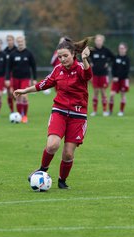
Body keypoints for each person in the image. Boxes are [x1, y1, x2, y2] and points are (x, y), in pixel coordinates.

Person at [14, 37, 93, 189]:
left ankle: (62, 181)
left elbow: (88, 76)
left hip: (78, 116)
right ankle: (42, 169)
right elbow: (43, 84)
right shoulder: (58, 70)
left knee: (68, 154)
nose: (62, 59)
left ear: (73, 54)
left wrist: (85, 59)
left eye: (65, 56)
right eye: (60, 57)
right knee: (52, 145)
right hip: (60, 112)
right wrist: (25, 90)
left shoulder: (81, 68)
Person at [6, 36, 37, 123]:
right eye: (18, 41)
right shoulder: (13, 54)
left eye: (21, 41)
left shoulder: (29, 53)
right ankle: (20, 115)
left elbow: (33, 66)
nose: (20, 43)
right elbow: (8, 67)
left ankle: (25, 116)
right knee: (18, 98)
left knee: (24, 97)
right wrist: (7, 78)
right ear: (17, 42)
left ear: (24, 42)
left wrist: (34, 78)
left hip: (25, 78)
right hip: (15, 79)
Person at [89, 34, 114, 117]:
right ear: (95, 41)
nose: (98, 42)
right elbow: (85, 57)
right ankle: (94, 111)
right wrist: (90, 63)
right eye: (97, 40)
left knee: (103, 92)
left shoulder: (106, 50)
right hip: (95, 74)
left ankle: (104, 110)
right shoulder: (92, 50)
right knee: (95, 92)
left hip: (104, 74)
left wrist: (107, 63)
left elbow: (113, 58)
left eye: (100, 40)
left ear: (103, 41)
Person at [109, 42, 130, 116]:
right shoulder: (116, 58)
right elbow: (113, 68)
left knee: (123, 94)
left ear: (126, 49)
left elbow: (126, 71)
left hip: (123, 80)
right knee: (112, 94)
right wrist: (114, 76)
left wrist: (119, 77)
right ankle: (110, 111)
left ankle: (121, 111)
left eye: (122, 48)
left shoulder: (127, 59)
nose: (121, 50)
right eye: (120, 48)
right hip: (115, 80)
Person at [4, 35, 17, 113]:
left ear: (13, 41)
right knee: (9, 93)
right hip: (8, 75)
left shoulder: (16, 50)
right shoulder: (4, 51)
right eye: (8, 40)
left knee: (15, 92)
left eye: (11, 40)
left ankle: (18, 108)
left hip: (16, 74)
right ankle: (12, 110)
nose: (9, 41)